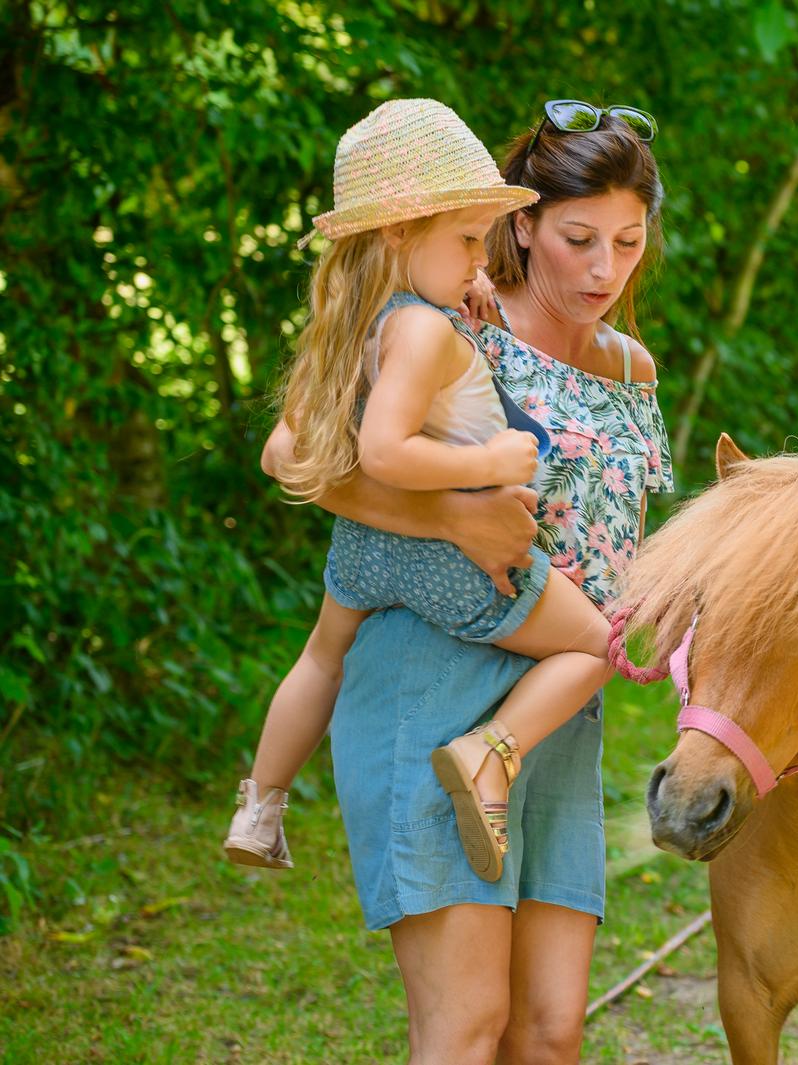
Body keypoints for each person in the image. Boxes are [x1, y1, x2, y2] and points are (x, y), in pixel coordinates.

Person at [257, 99, 670, 1063]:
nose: (605, 269)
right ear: (520, 228)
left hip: (557, 704)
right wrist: (446, 514)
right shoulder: (453, 322)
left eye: (628, 241)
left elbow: (619, 536)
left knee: (550, 1030)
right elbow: (292, 453)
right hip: (439, 678)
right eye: (578, 238)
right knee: (467, 1028)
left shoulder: (634, 369)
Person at [224, 99, 613, 886]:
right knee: (599, 643)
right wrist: (493, 462)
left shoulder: (356, 321)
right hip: (451, 561)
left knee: (320, 657)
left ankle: (260, 805)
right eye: (466, 240)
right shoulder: (427, 330)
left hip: (364, 552)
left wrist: (457, 302)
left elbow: (310, 443)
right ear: (399, 231)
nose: (479, 260)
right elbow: (385, 450)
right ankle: (488, 754)